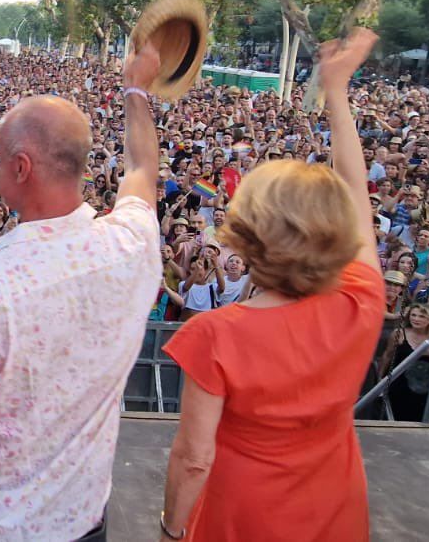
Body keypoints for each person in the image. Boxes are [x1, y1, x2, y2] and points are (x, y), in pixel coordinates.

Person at [0, 60, 163, 540]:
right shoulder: (131, 244)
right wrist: (136, 88)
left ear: (20, 167)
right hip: (85, 519)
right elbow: (145, 169)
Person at [158, 27, 384, 542]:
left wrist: (171, 530)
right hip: (334, 513)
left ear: (248, 233)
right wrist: (337, 95)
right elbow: (358, 199)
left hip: (241, 519)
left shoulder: (216, 335)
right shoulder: (361, 302)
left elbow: (194, 458)